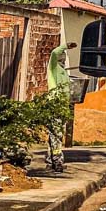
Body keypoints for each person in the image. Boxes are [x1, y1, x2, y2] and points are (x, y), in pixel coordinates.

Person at [46, 41, 78, 172]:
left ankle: (50, 159)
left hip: (63, 105)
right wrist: (65, 46)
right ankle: (57, 160)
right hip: (55, 104)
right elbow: (54, 53)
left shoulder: (64, 71)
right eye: (62, 55)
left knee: (55, 133)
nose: (63, 58)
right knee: (56, 133)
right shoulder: (53, 68)